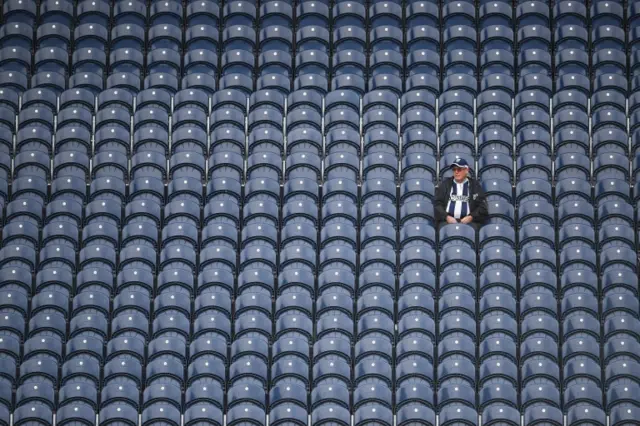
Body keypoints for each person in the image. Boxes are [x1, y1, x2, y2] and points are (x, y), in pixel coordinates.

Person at [434, 158, 488, 231]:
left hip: (469, 222)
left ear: (466, 170)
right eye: (454, 169)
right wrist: (446, 217)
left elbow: (482, 207)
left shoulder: (475, 186)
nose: (456, 172)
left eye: (459, 169)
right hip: (447, 221)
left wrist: (471, 217)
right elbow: (437, 204)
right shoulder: (445, 184)